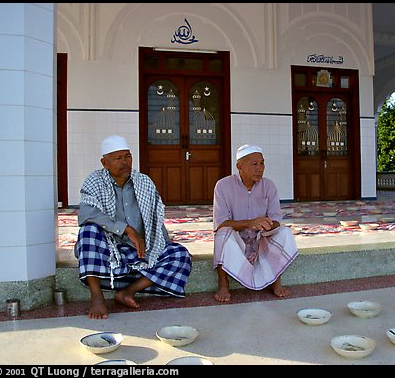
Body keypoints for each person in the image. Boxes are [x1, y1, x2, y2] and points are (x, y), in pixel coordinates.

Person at [74, 135, 192, 319]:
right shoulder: (94, 181)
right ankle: (97, 297)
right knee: (88, 231)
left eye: (127, 156)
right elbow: (87, 214)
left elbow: (155, 218)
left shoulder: (143, 182)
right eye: (118, 158)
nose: (125, 162)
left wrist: (165, 243)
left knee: (180, 254)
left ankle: (128, 291)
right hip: (108, 250)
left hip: (138, 251)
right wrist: (127, 229)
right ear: (104, 163)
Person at [212, 144, 299, 302]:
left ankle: (276, 281)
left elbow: (276, 220)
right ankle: (223, 284)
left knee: (284, 232)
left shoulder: (269, 186)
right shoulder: (223, 186)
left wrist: (266, 225)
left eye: (262, 163)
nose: (260, 168)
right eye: (255, 164)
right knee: (222, 234)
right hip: (236, 241)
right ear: (239, 166)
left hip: (260, 240)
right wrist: (249, 223)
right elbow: (221, 223)